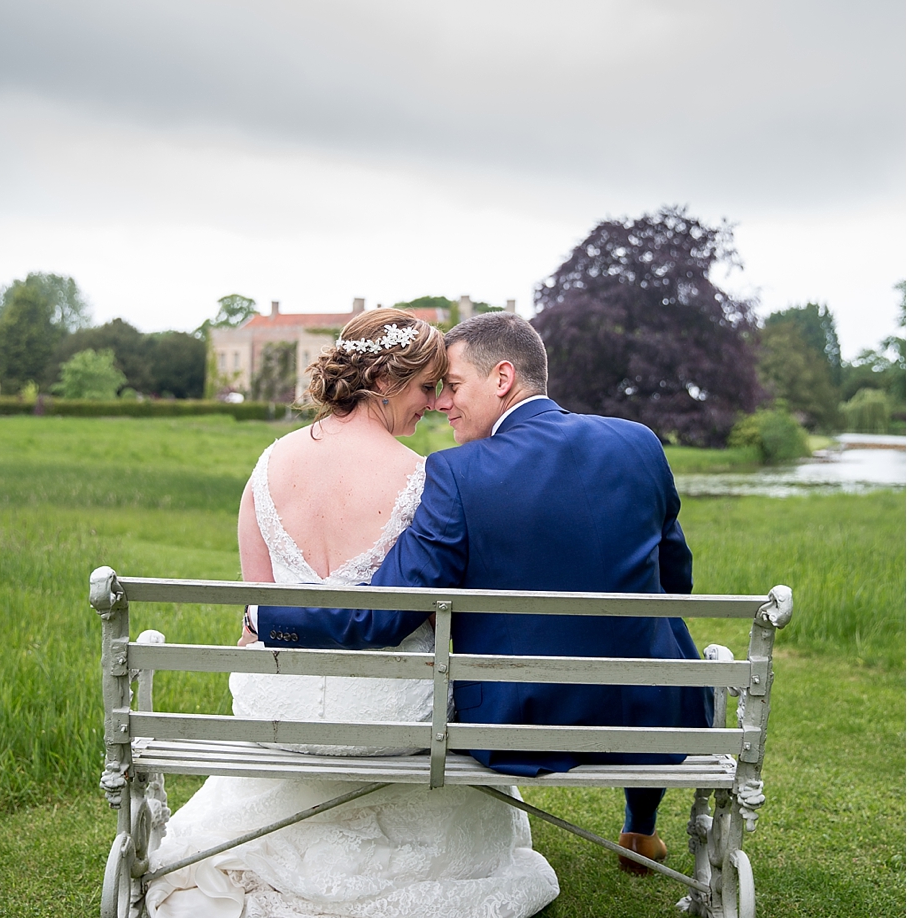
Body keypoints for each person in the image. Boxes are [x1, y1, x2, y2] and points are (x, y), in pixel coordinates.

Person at [145, 310, 559, 918]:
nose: (435, 403)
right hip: (390, 714)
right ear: (384, 383)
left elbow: (255, 610)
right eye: (427, 388)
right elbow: (432, 611)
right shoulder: (425, 477)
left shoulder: (269, 464)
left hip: (278, 706)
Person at [256, 311, 712, 874]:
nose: (442, 404)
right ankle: (640, 828)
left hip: (516, 724)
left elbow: (386, 613)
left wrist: (271, 615)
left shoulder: (455, 474)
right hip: (654, 714)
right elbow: (677, 581)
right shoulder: (638, 443)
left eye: (451, 386)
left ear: (501, 379)